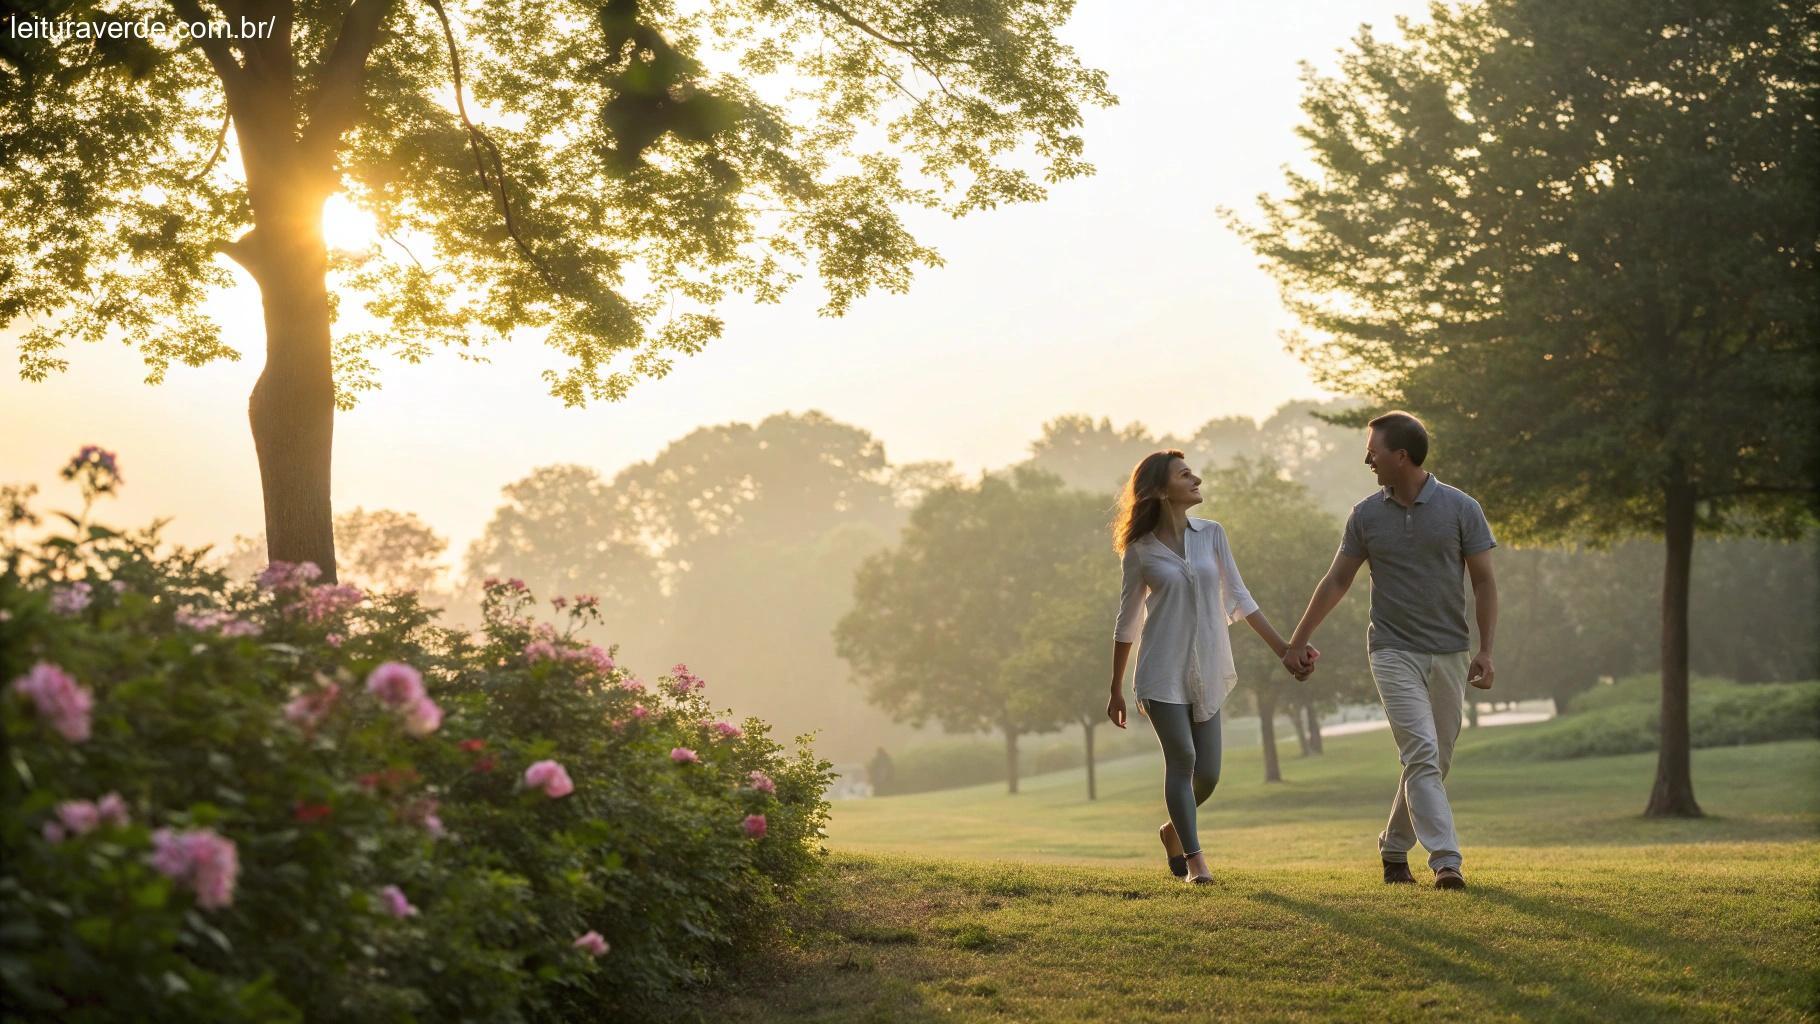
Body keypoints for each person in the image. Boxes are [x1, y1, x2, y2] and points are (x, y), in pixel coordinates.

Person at [1280, 411, 1498, 890]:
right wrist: (1297, 640)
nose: (1367, 459)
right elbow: (1337, 580)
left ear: (1401, 456)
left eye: (1373, 451)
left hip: (1450, 651)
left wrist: (1486, 650)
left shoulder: (1462, 509)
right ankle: (1446, 861)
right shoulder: (1366, 515)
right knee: (1421, 751)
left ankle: (1394, 849)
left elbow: (1483, 582)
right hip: (1392, 649)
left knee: (1433, 760)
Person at [1107, 449, 1307, 885]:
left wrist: (1285, 650)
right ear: (1161, 490)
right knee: (1182, 759)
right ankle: (1196, 862)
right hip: (1160, 671)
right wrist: (1116, 689)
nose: (1196, 479)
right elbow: (1128, 620)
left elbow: (1241, 598)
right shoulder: (1139, 552)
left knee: (1209, 774)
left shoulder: (1212, 535)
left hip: (1209, 668)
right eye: (1184, 475)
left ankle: (1173, 831)